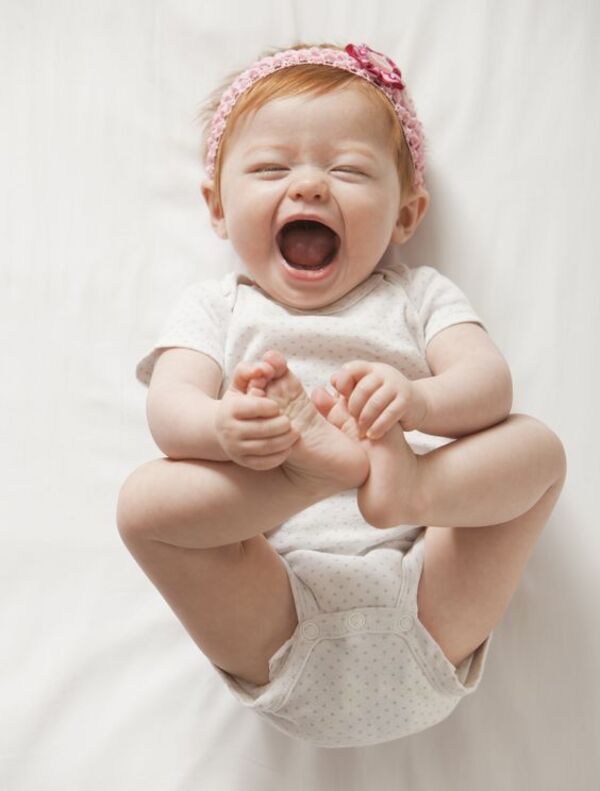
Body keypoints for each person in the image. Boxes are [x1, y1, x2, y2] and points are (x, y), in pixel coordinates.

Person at [116, 42, 567, 748]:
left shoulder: (418, 296)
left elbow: (489, 386)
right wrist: (222, 428)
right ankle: (302, 480)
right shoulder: (217, 308)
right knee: (144, 503)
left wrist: (419, 402)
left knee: (537, 449)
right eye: (271, 168)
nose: (309, 187)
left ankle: (410, 487)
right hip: (276, 607)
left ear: (407, 215)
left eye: (348, 170)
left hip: (427, 591)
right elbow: (169, 411)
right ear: (217, 206)